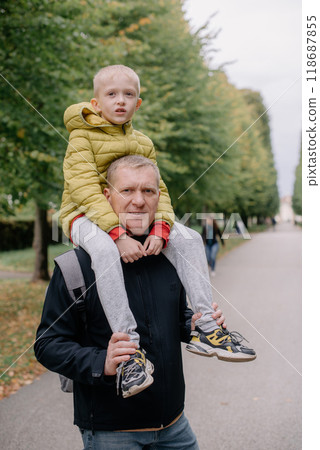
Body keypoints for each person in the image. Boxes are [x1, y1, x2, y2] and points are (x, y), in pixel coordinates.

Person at [59, 65, 256, 397]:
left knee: (189, 237)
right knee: (105, 251)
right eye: (111, 94)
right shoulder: (81, 136)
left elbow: (158, 191)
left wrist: (162, 228)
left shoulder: (142, 142)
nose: (120, 101)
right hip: (83, 214)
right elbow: (83, 189)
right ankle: (130, 351)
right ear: (96, 103)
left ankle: (206, 325)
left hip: (129, 215)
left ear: (138, 103)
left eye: (129, 95)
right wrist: (117, 234)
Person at [35, 157, 232, 449]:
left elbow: (175, 318)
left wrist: (191, 325)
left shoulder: (168, 257)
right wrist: (102, 362)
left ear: (158, 197)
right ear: (106, 196)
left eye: (148, 191)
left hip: (174, 425)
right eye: (127, 191)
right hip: (111, 431)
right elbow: (47, 344)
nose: (138, 201)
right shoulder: (76, 267)